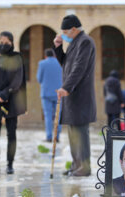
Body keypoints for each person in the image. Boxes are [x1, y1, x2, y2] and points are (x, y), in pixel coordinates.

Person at [53, 14, 96, 177]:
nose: (63, 34)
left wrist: (66, 87)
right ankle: (76, 164)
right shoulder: (74, 43)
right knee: (73, 131)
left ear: (73, 29)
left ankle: (84, 167)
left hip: (80, 94)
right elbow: (66, 64)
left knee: (80, 132)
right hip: (72, 95)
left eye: (65, 31)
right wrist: (58, 47)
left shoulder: (85, 42)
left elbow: (79, 67)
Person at [0, 31, 27, 174]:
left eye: (6, 42)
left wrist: (6, 92)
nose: (3, 45)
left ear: (12, 43)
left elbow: (18, 79)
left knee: (11, 134)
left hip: (12, 98)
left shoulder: (17, 58)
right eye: (1, 42)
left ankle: (10, 164)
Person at [36, 48, 63, 142]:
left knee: (47, 116)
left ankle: (49, 136)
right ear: (54, 55)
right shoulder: (60, 63)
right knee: (58, 115)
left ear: (45, 56)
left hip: (46, 93)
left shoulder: (42, 63)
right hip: (58, 93)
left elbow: (39, 78)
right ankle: (57, 136)